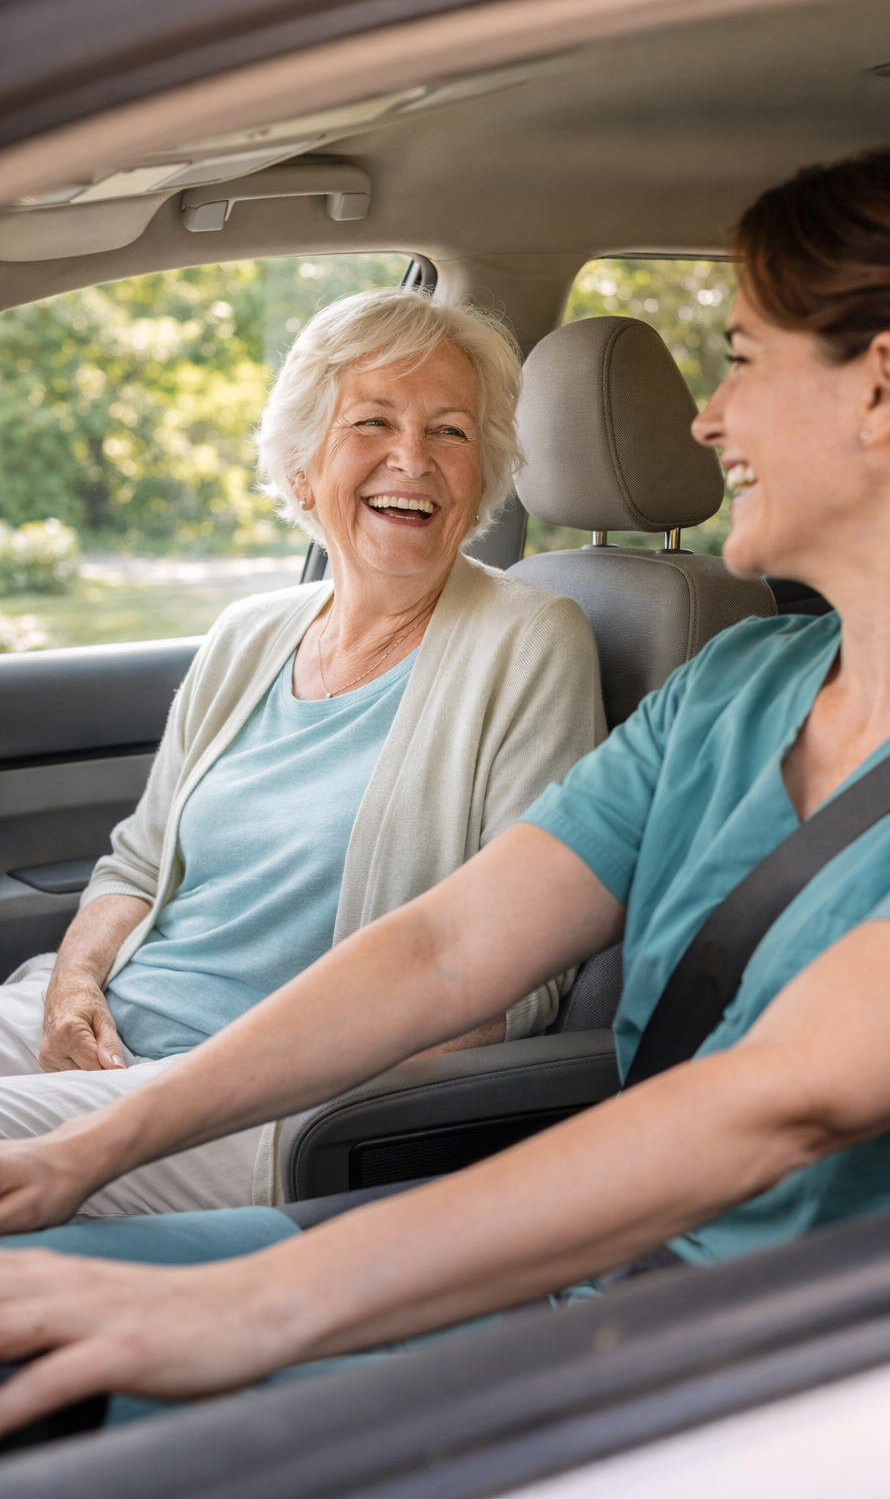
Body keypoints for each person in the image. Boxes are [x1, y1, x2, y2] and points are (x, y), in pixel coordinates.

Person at [0, 140, 890, 1439]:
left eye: (745, 358)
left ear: (882, 386)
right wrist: (93, 1149)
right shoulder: (741, 684)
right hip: (589, 1281)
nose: (708, 419)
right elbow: (441, 948)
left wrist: (265, 1302)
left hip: (804, 1372)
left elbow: (785, 1094)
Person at [0, 286, 604, 1219]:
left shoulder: (531, 638)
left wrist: (238, 1082)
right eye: (372, 421)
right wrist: (74, 988)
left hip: (267, 1097)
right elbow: (138, 863)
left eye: (449, 431)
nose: (413, 459)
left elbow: (517, 967)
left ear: (482, 477)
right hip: (116, 1023)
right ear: (299, 468)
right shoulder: (249, 633)